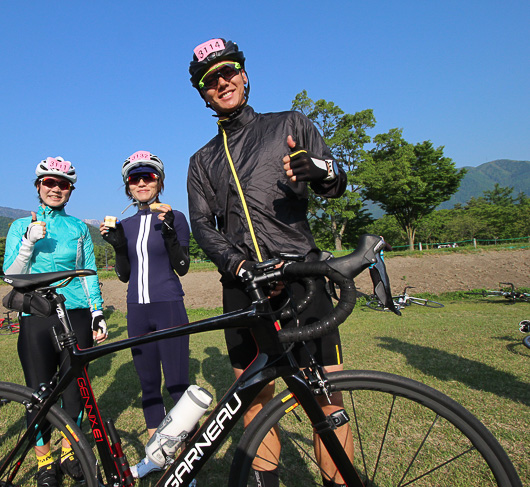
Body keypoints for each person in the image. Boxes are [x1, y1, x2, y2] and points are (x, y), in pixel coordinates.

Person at [186, 39, 351, 487]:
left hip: (302, 277)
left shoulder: (290, 124)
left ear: (243, 74)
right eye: (209, 80)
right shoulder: (202, 160)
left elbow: (335, 181)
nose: (221, 83)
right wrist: (237, 265)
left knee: (327, 397)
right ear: (203, 94)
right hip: (244, 286)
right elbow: (202, 225)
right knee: (256, 397)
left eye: (228, 72)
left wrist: (322, 170)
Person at [4, 156, 108, 487]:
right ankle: (44, 459)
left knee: (75, 392)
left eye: (63, 184)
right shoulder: (21, 226)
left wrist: (97, 312)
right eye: (49, 183)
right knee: (39, 391)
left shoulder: (79, 228)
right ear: (38, 187)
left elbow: (89, 273)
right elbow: (11, 276)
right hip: (35, 313)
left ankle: (67, 451)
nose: (56, 189)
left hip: (74, 313)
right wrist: (29, 243)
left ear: (70, 191)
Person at [99, 151, 191, 480]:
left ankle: (186, 464)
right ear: (128, 185)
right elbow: (124, 275)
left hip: (168, 306)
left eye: (148, 177)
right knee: (149, 385)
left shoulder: (175, 216)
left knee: (178, 386)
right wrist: (117, 245)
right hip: (136, 310)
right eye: (135, 178)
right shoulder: (124, 224)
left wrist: (167, 231)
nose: (141, 182)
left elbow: (183, 266)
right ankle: (156, 458)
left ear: (159, 182)